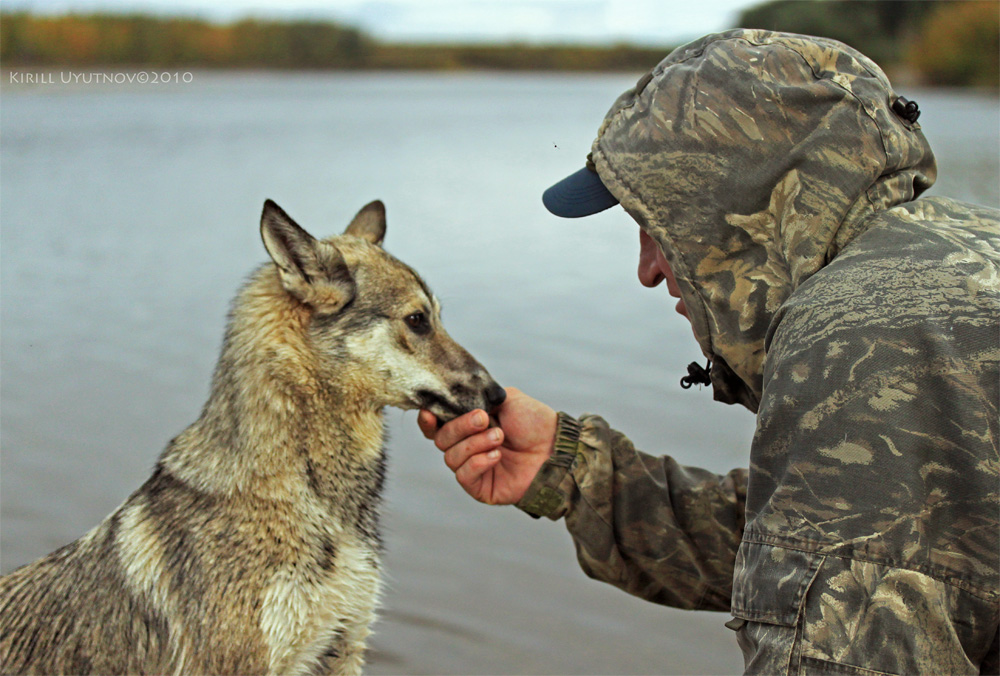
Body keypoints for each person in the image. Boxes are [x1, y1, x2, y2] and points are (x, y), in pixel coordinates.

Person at [418, 29, 1000, 675]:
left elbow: (838, 630)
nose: (648, 270)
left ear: (734, 210)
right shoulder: (962, 258)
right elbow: (840, 547)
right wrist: (572, 468)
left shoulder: (861, 333)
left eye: (659, 227)